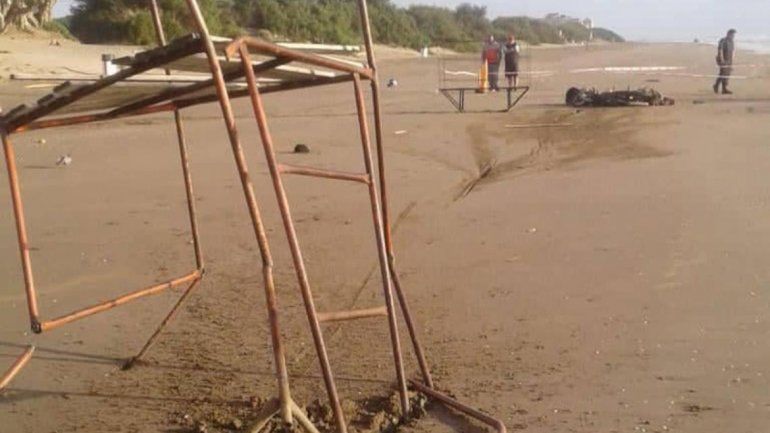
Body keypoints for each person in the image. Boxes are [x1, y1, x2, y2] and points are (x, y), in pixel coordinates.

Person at [713, 29, 737, 95]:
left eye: (733, 35)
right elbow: (720, 50)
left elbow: (732, 51)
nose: (733, 36)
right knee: (723, 73)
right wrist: (722, 59)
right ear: (728, 34)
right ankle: (719, 87)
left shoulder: (732, 41)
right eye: (732, 34)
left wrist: (732, 61)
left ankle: (720, 87)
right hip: (722, 59)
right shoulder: (723, 40)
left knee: (726, 74)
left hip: (729, 59)